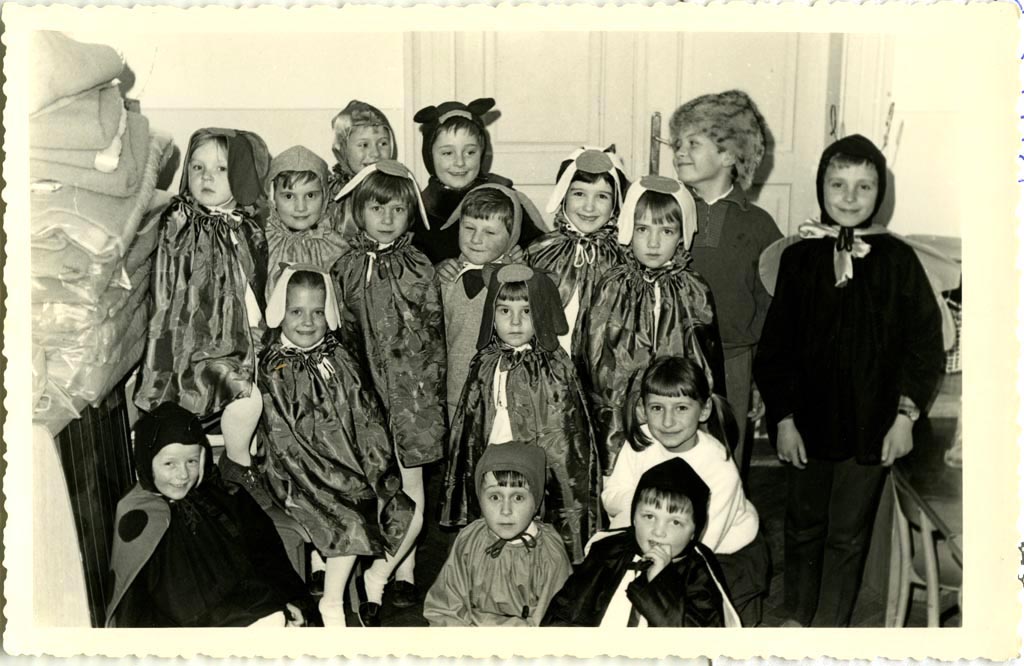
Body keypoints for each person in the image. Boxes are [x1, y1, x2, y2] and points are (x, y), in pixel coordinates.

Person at [754, 134, 945, 627]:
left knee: (847, 533)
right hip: (807, 422)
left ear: (881, 191)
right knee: (802, 524)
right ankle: (797, 614)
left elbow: (925, 347)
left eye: (864, 185)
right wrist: (784, 418)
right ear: (821, 186)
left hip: (873, 425)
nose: (850, 196)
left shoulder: (899, 261)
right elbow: (776, 350)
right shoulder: (799, 259)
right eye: (838, 184)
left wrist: (905, 416)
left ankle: (832, 626)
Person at [258, 265, 416, 626]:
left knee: (399, 506)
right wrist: (331, 471)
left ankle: (367, 577)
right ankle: (331, 602)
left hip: (344, 463)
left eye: (317, 312)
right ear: (281, 312)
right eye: (296, 312)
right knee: (351, 516)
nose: (308, 322)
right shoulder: (274, 366)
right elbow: (282, 434)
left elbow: (365, 415)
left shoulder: (337, 357)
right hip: (296, 470)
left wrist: (373, 464)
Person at [330, 159, 447, 622]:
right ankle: (389, 566)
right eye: (377, 207)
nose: (387, 218)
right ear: (359, 210)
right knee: (379, 487)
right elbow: (341, 334)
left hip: (413, 399)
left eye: (398, 209)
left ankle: (386, 574)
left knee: (411, 490)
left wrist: (418, 398)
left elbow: (431, 338)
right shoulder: (345, 268)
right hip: (364, 398)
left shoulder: (418, 265)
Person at [133, 128, 272, 506]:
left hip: (238, 340)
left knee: (253, 396)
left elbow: (251, 287)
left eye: (221, 168)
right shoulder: (178, 219)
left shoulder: (245, 227)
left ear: (240, 174)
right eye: (197, 167)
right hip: (185, 343)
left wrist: (258, 329)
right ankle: (216, 465)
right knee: (235, 393)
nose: (207, 176)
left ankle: (239, 459)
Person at [441, 264, 601, 564]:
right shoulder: (485, 362)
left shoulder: (555, 367)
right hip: (494, 463)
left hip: (536, 470)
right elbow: (471, 426)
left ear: (540, 311)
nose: (515, 322)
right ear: (492, 314)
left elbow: (565, 437)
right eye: (504, 311)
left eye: (526, 311)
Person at [105, 402, 316, 627]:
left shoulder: (224, 497)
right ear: (147, 462)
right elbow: (134, 608)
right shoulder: (138, 515)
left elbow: (266, 556)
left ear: (203, 457)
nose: (183, 474)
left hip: (251, 611)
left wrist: (287, 599)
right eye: (169, 464)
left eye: (192, 461)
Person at [602, 356, 770, 625]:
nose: (667, 421)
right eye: (657, 408)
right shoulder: (640, 443)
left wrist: (651, 518)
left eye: (681, 408)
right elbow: (611, 497)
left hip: (724, 555)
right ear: (643, 409)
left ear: (704, 410)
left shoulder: (718, 466)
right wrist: (650, 505)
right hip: (661, 538)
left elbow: (703, 545)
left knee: (715, 626)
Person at [580, 175, 726, 472]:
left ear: (682, 235)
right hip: (622, 410)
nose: (653, 242)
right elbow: (595, 358)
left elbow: (706, 362)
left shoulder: (693, 289)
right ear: (628, 230)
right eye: (642, 229)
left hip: (675, 411)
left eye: (667, 231)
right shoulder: (613, 286)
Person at [670, 90, 782, 477]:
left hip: (734, 361)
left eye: (693, 143)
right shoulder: (667, 213)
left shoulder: (759, 226)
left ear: (729, 155)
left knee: (724, 462)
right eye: (678, 144)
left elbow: (771, 311)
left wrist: (760, 380)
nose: (679, 152)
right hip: (672, 356)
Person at [542, 458, 739, 627]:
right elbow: (563, 614)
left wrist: (661, 582)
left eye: (675, 522)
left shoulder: (698, 574)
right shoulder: (608, 552)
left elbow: (698, 643)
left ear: (695, 531)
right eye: (649, 516)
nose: (658, 531)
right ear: (634, 518)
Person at [423, 442, 572, 626]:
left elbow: (552, 623)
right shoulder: (470, 539)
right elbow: (445, 606)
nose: (505, 510)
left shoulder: (549, 555)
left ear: (536, 502)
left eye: (518, 497)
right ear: (480, 499)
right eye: (495, 497)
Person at [436, 183, 544, 420]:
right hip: (455, 397)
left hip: (504, 401)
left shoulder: (516, 283)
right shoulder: (447, 279)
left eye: (490, 233)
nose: (476, 239)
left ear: (511, 238)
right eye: (469, 228)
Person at [526, 147, 630, 359]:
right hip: (549, 365)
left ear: (615, 203)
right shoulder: (540, 251)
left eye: (602, 196)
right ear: (563, 196)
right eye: (579, 194)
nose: (589, 207)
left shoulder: (625, 257)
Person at [411, 97, 544, 263]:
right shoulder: (420, 211)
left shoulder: (504, 199)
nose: (460, 162)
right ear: (429, 156)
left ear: (481, 152)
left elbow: (540, 250)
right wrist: (436, 271)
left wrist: (524, 257)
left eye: (470, 152)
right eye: (447, 153)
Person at [265, 145, 349, 298]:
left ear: (325, 196)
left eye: (310, 195)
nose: (301, 207)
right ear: (273, 198)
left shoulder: (336, 247)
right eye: (289, 196)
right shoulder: (261, 243)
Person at [326, 100, 397, 237]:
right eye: (364, 145)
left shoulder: (398, 188)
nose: (375, 153)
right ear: (343, 148)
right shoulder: (331, 194)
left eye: (383, 143)